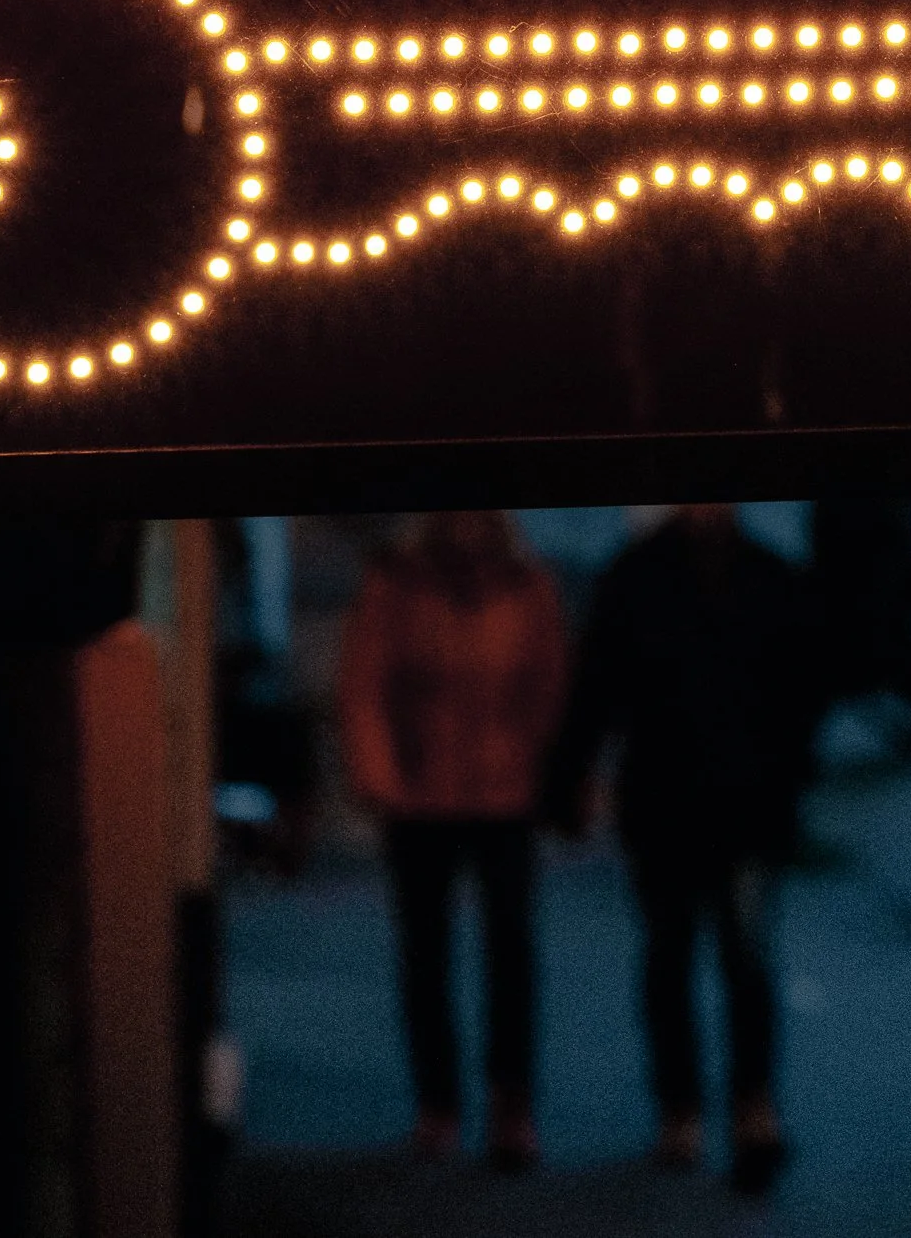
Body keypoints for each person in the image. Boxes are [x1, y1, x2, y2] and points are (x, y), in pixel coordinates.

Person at [543, 504, 825, 1192]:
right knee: (679, 961)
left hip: (738, 803)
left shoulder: (757, 577)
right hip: (673, 804)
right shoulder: (646, 577)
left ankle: (744, 1108)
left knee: (742, 960)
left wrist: (786, 774)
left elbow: (804, 690)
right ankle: (689, 1111)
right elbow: (597, 686)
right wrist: (569, 776)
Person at [337, 510, 569, 1168]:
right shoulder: (399, 583)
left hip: (505, 795)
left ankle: (511, 1104)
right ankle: (438, 1104)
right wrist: (382, 778)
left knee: (511, 956)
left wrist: (547, 772)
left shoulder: (527, 586)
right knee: (426, 956)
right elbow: (365, 683)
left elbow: (550, 684)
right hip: (421, 796)